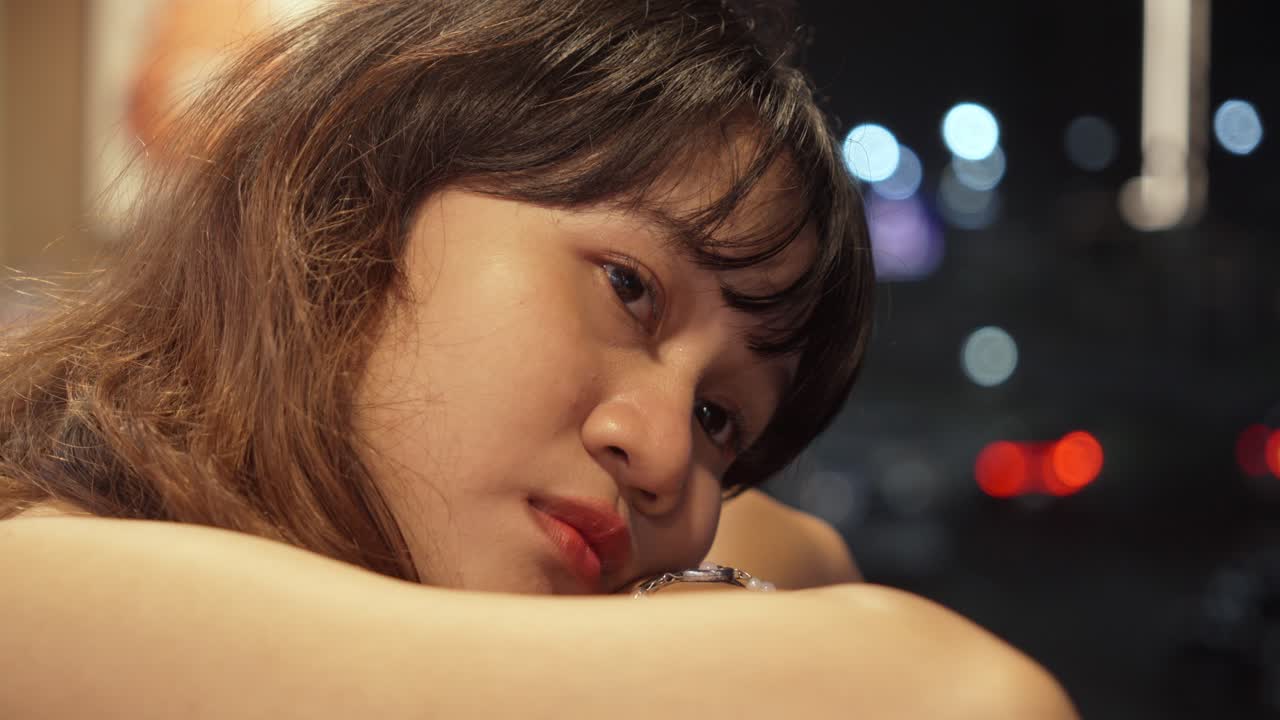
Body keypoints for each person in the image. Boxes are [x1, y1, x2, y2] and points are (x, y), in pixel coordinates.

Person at [0, 0, 1079, 717]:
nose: (665, 454)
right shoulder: (38, 583)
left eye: (720, 419)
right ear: (360, 199)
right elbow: (950, 697)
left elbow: (790, 542)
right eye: (629, 287)